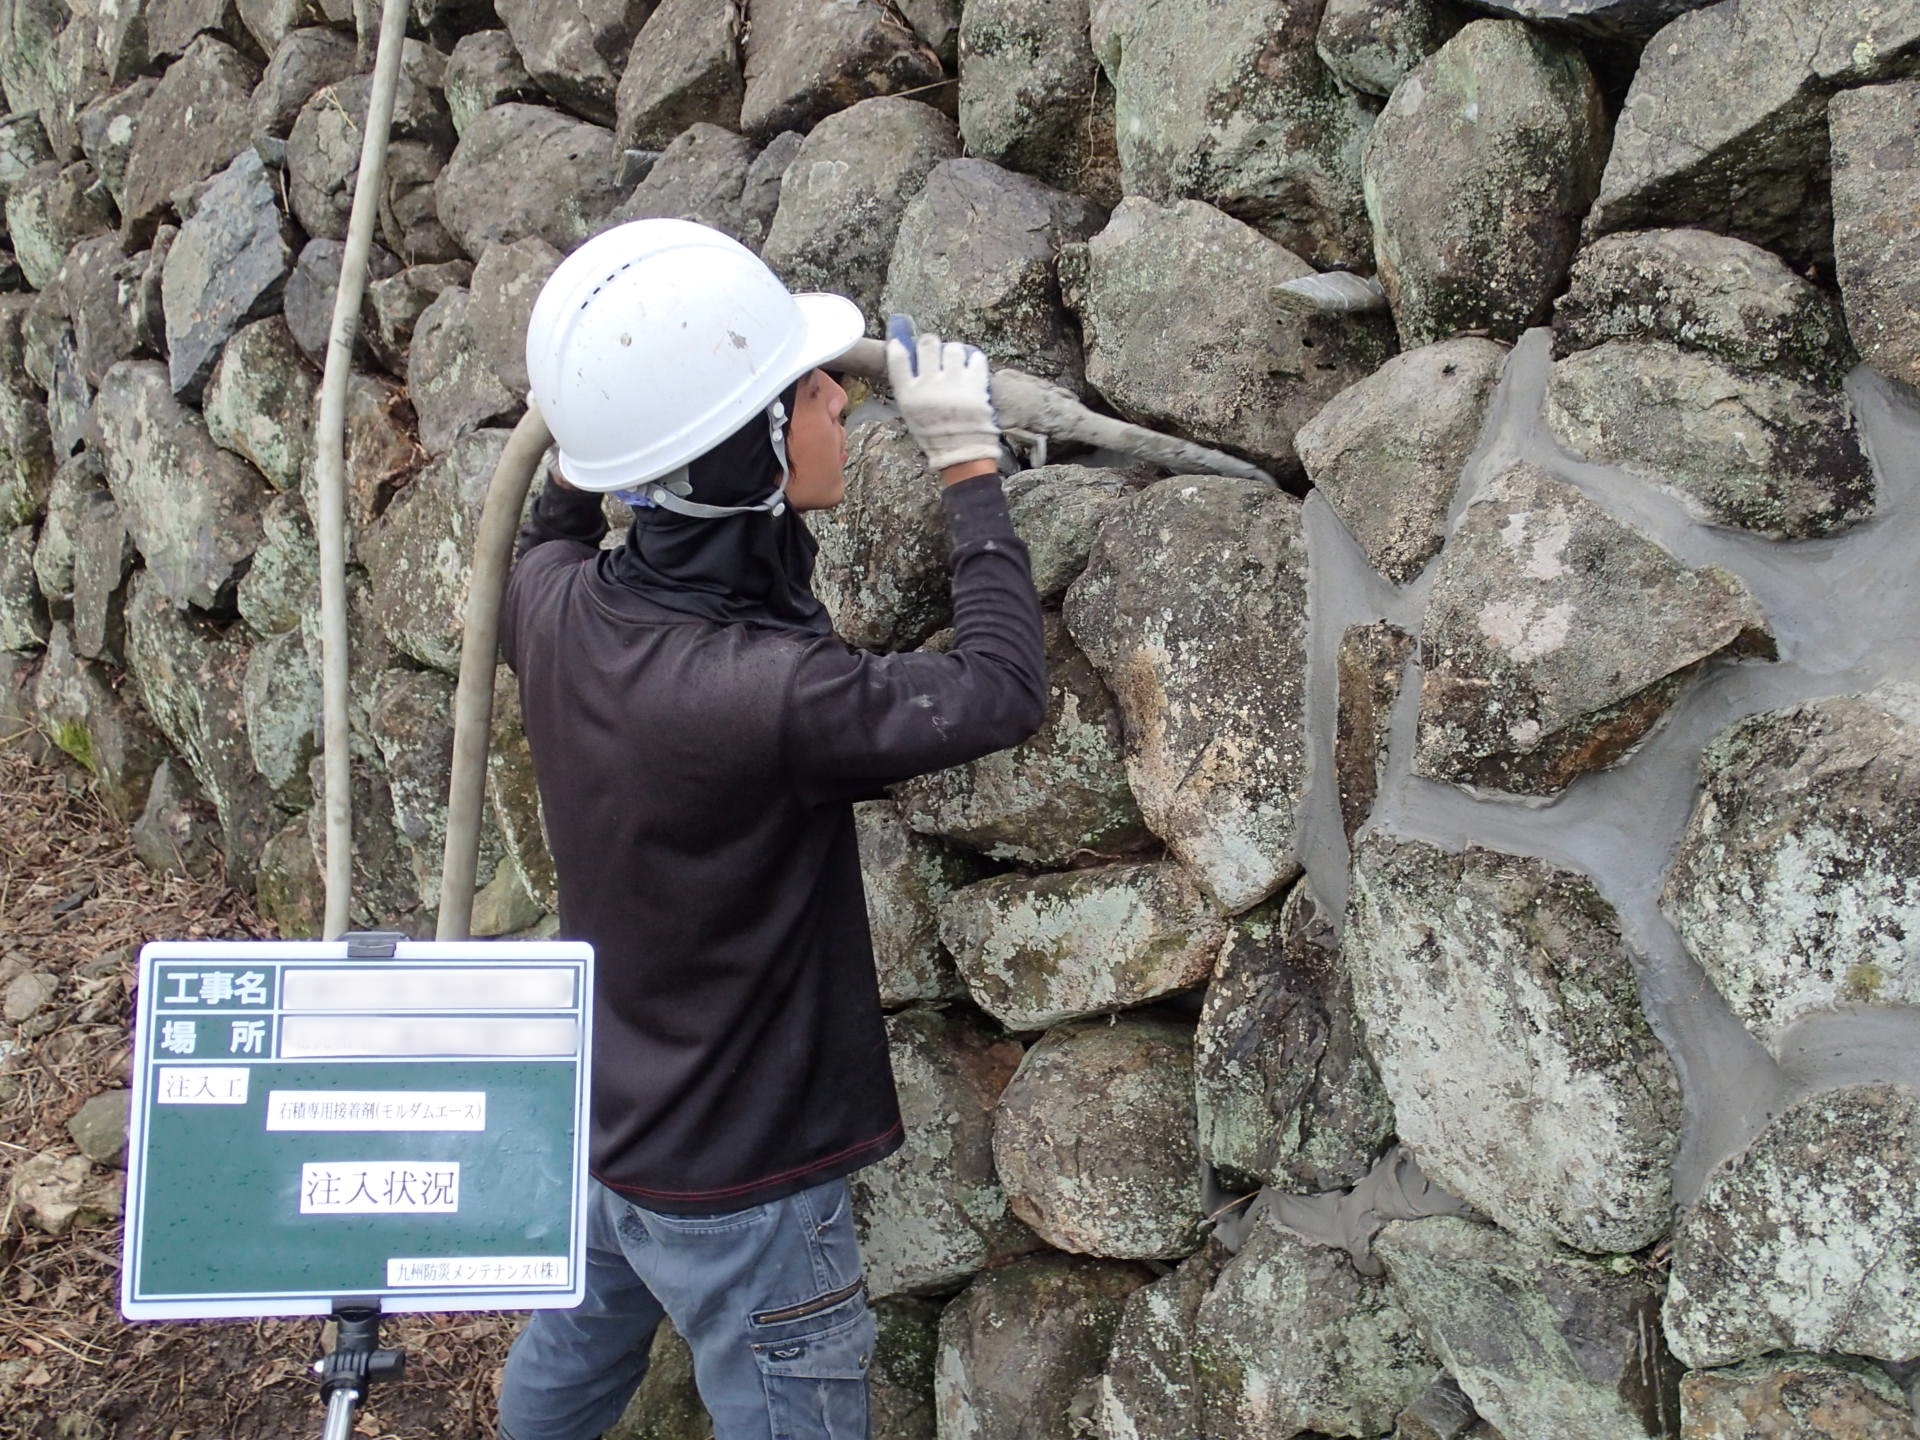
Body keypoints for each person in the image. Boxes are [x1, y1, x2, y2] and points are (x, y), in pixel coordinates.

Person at [494, 219, 1047, 1440]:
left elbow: (554, 520)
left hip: (619, 1126)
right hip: (742, 1185)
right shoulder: (767, 695)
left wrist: (617, 405)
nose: (837, 404)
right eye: (805, 393)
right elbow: (1002, 691)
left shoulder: (555, 610)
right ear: (748, 454)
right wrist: (969, 470)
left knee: (575, 1355)